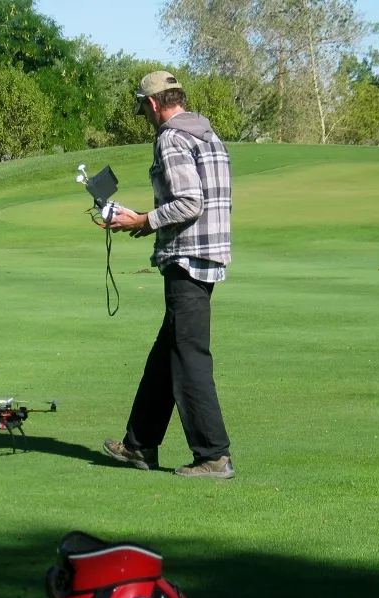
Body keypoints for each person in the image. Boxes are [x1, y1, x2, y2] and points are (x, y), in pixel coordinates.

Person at [102, 71, 234, 479]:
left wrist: (143, 218)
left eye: (143, 106)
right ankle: (139, 444)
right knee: (168, 352)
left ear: (155, 103)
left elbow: (190, 201)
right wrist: (146, 223)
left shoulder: (171, 137)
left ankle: (213, 456)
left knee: (188, 356)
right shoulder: (207, 133)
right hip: (208, 254)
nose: (144, 114)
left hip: (187, 257)